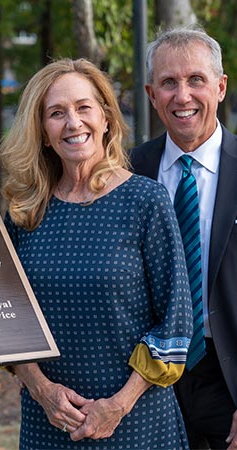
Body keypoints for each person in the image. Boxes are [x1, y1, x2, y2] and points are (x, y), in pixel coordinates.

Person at [0, 57, 193, 449]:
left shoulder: (145, 201)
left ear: (105, 118)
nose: (73, 123)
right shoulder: (25, 211)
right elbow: (7, 321)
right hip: (48, 422)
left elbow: (176, 322)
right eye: (56, 113)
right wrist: (40, 389)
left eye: (83, 108)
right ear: (43, 131)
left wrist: (118, 405)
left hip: (136, 422)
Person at [130, 26, 237, 450]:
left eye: (196, 80)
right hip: (146, 378)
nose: (183, 95)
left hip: (226, 377)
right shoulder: (127, 171)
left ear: (221, 87)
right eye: (169, 83)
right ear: (151, 93)